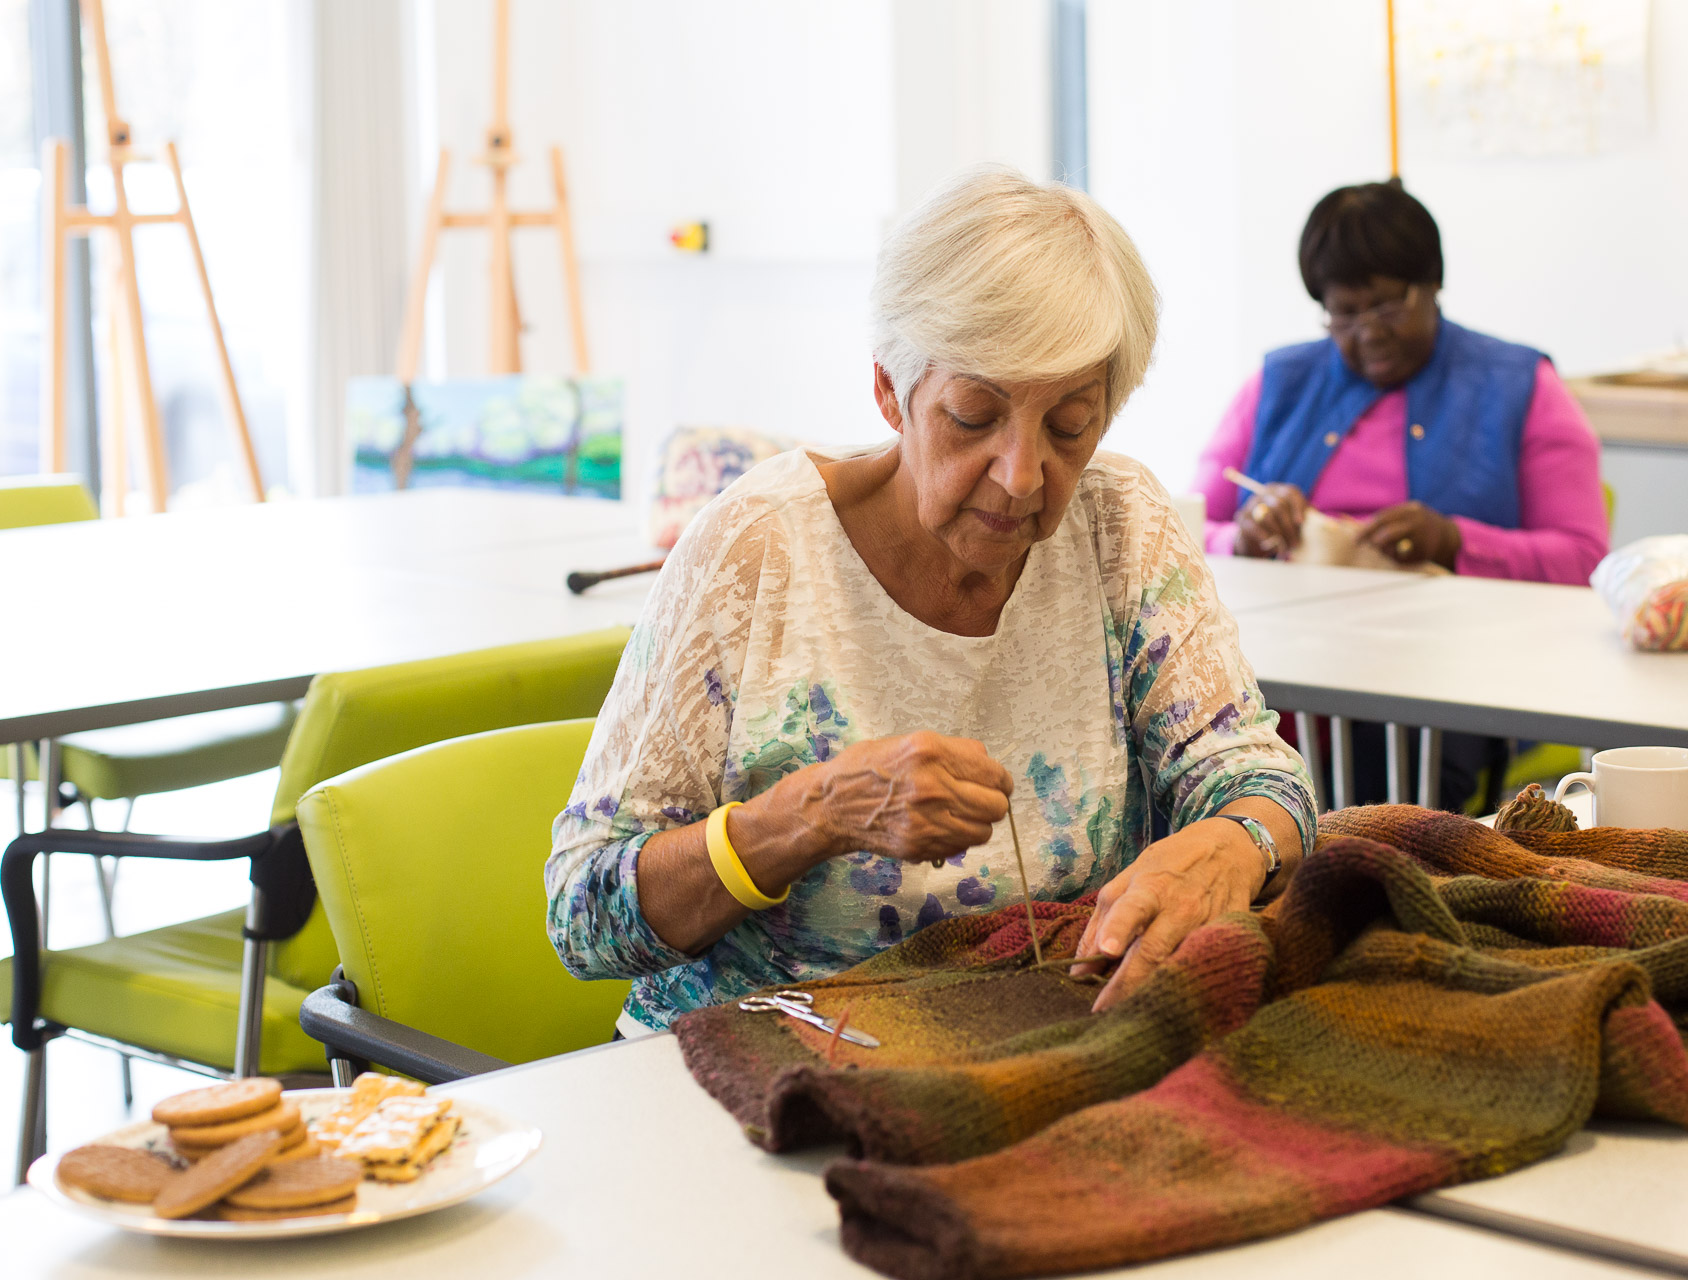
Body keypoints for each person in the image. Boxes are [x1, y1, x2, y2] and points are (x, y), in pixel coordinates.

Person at [548, 168, 1317, 1039]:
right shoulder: (758, 549)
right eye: (973, 416)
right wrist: (813, 814)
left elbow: (1256, 778)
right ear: (891, 392)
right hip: (753, 1055)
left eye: (1069, 426)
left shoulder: (1120, 523)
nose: (1022, 475)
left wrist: (1236, 842)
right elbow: (583, 914)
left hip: (1032, 1042)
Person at [1193, 181, 1610, 812]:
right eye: (1344, 313)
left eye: (1387, 307)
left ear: (1431, 284)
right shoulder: (1279, 384)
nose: (1368, 333)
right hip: (1285, 664)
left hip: (1453, 673)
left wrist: (1456, 542)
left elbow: (1583, 558)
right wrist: (1243, 537)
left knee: (1390, 786)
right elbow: (1183, 531)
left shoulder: (1518, 385)